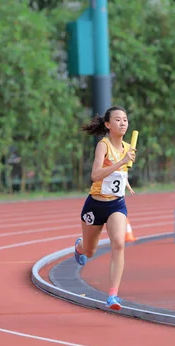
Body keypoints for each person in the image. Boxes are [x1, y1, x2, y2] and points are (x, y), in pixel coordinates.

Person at [73, 106, 136, 311]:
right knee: (89, 251)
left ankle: (113, 295)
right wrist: (121, 163)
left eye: (125, 119)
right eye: (118, 120)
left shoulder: (128, 147)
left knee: (118, 243)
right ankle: (80, 245)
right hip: (95, 204)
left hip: (116, 204)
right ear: (108, 124)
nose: (123, 123)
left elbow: (121, 173)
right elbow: (96, 175)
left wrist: (126, 183)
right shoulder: (104, 145)